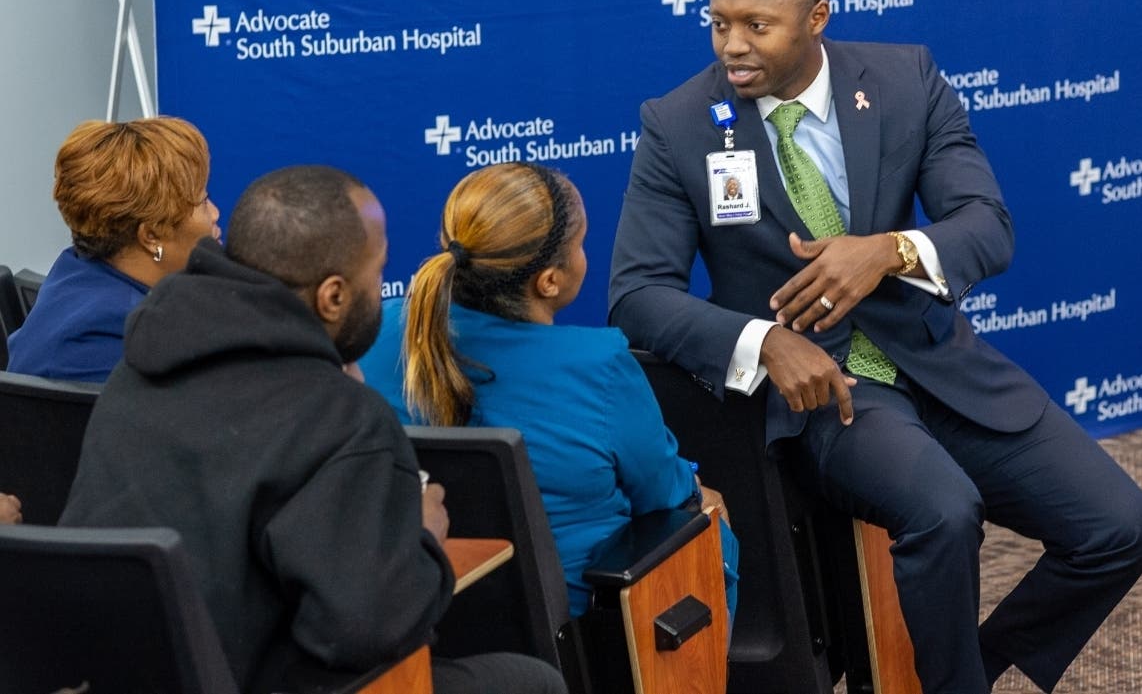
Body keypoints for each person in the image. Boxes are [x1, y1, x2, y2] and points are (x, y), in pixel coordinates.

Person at [608, 0, 1142, 693]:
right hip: (826, 390)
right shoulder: (679, 122)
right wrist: (762, 343)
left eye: (757, 25)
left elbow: (986, 226)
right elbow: (637, 293)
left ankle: (967, 671)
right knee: (944, 510)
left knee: (1118, 526)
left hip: (937, 362)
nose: (732, 45)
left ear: (817, 16)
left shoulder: (903, 79)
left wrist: (886, 249)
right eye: (718, 21)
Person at [59, 165, 566, 694]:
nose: (380, 288)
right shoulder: (341, 418)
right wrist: (422, 540)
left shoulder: (136, 369)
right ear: (332, 298)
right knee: (533, 682)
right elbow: (364, 633)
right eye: (376, 274)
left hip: (119, 678)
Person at [359, 161, 738, 622]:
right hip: (578, 632)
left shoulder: (374, 337)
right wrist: (701, 492)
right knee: (708, 518)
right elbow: (666, 496)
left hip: (431, 612)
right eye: (580, 246)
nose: (585, 256)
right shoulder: (599, 366)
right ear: (549, 281)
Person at [6, 117, 220, 382]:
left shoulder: (74, 269)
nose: (215, 213)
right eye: (202, 201)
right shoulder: (117, 338)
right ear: (151, 235)